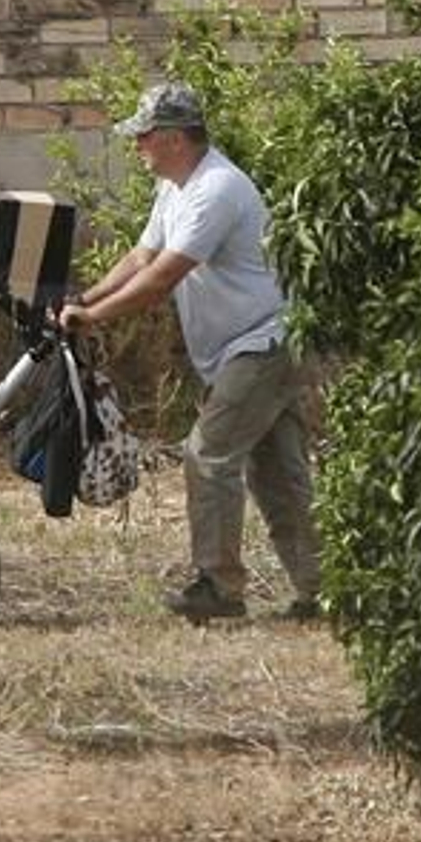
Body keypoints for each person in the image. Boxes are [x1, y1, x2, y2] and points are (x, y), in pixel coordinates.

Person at [55, 81, 321, 622]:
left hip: (264, 342)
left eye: (145, 136)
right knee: (277, 474)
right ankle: (327, 588)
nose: (138, 147)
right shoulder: (177, 186)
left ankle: (220, 589)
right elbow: (141, 256)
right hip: (248, 345)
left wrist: (94, 318)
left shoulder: (216, 189)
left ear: (175, 138)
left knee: (209, 454)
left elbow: (160, 281)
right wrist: (83, 299)